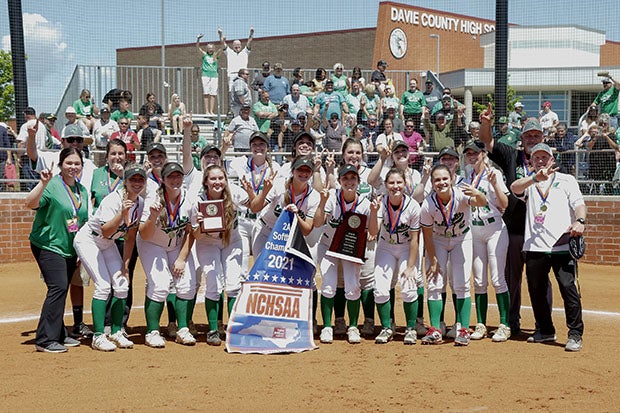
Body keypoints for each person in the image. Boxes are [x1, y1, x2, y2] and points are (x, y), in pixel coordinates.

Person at [479, 107, 550, 337]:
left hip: (540, 232)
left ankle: (543, 325)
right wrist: (486, 124)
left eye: (536, 135)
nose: (532, 139)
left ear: (543, 138)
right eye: (528, 135)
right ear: (522, 138)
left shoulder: (547, 161)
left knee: (540, 279)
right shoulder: (511, 155)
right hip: (514, 228)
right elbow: (487, 142)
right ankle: (511, 322)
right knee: (511, 278)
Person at [510, 143, 586, 352]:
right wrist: (535, 178)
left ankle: (575, 334)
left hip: (562, 244)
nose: (541, 161)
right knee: (537, 291)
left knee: (569, 289)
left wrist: (580, 220)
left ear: (552, 160)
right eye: (536, 158)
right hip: (535, 246)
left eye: (545, 157)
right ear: (531, 162)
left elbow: (579, 204)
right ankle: (545, 330)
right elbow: (514, 188)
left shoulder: (567, 180)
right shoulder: (529, 182)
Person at [74, 165, 146, 351]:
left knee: (122, 284)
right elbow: (106, 231)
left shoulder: (140, 203)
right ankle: (98, 336)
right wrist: (122, 214)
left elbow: (130, 236)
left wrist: (126, 265)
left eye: (140, 179)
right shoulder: (113, 200)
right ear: (125, 182)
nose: (137, 183)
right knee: (104, 285)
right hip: (90, 239)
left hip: (108, 244)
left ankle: (115, 331)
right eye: (133, 179)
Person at [26, 147, 89, 352]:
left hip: (69, 247)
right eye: (68, 163)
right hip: (48, 245)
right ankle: (45, 339)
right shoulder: (52, 185)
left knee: (60, 289)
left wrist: (81, 251)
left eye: (77, 163)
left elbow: (82, 221)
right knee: (58, 287)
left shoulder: (82, 191)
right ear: (61, 165)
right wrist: (42, 184)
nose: (73, 167)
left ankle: (59, 333)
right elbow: (30, 203)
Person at [419, 164, 487, 346]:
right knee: (434, 282)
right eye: (437, 180)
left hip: (461, 238)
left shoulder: (461, 194)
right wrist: (432, 260)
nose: (441, 183)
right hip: (438, 240)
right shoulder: (428, 204)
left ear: (451, 179)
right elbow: (426, 235)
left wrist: (477, 193)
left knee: (462, 283)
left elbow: (483, 202)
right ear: (432, 183)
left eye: (444, 179)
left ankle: (463, 329)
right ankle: (435, 329)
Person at [315, 164, 377, 344]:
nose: (349, 182)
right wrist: (321, 202)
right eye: (345, 178)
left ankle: (353, 327)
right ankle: (327, 326)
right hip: (328, 246)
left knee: (352, 286)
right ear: (340, 181)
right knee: (328, 285)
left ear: (358, 181)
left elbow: (373, 231)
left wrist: (373, 213)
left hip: (351, 249)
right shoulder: (332, 197)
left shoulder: (364, 203)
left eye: (353, 178)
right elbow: (318, 223)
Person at [191, 164, 251, 345]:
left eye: (220, 178)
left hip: (231, 241)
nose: (217, 182)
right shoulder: (198, 201)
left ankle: (233, 328)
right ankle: (212, 330)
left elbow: (255, 206)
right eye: (213, 179)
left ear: (225, 179)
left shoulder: (235, 193)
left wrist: (258, 193)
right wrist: (200, 225)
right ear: (206, 182)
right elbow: (195, 235)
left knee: (233, 284)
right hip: (207, 242)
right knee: (213, 284)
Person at [138, 162, 196, 348]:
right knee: (160, 284)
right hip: (152, 243)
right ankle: (152, 331)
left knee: (187, 283)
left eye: (178, 176)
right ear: (162, 179)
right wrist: (153, 216)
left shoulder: (189, 199)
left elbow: (191, 231)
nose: (175, 180)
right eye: (170, 176)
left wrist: (181, 258)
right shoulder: (153, 200)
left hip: (177, 245)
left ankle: (183, 329)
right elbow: (144, 234)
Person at [462, 140, 511, 342]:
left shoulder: (494, 174)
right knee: (479, 280)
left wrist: (492, 185)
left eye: (475, 153)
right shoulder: (467, 176)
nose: (472, 157)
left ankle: (504, 324)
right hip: (475, 229)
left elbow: (505, 203)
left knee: (498, 278)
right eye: (468, 154)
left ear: (483, 154)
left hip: (494, 228)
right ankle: (481, 324)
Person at [369, 168, 421, 344]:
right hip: (386, 246)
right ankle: (386, 328)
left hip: (407, 247)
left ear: (405, 183)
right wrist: (374, 212)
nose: (395, 186)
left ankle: (411, 329)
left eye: (399, 182)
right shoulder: (380, 202)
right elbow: (373, 232)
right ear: (385, 185)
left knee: (408, 287)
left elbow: (415, 240)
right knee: (381, 288)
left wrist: (411, 266)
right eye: (391, 183)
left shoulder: (413, 206)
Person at [218, 26, 254, 91]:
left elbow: (249, 42)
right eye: (235, 45)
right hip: (232, 75)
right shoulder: (229, 52)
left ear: (241, 46)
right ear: (233, 46)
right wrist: (220, 34)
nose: (237, 47)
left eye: (238, 45)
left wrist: (251, 34)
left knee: (243, 92)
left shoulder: (245, 52)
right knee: (232, 93)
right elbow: (222, 42)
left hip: (243, 76)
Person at [196, 34, 221, 116]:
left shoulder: (216, 55)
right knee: (206, 93)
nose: (210, 50)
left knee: (213, 93)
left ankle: (211, 111)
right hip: (205, 75)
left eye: (212, 48)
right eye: (209, 48)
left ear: (214, 49)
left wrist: (221, 36)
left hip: (214, 75)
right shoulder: (204, 55)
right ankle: (206, 111)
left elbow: (223, 47)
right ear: (207, 49)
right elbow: (197, 48)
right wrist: (198, 39)